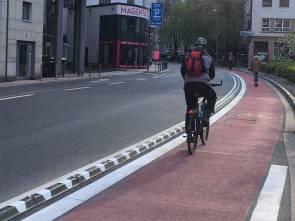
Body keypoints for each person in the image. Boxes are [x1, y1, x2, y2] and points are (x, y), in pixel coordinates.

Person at [181, 37, 217, 131]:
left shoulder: (187, 57)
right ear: (205, 47)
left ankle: (189, 129)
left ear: (195, 46)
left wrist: (187, 80)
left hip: (188, 85)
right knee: (212, 97)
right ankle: (205, 117)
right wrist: (206, 79)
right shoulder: (209, 58)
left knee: (190, 107)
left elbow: (183, 71)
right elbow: (212, 74)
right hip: (203, 85)